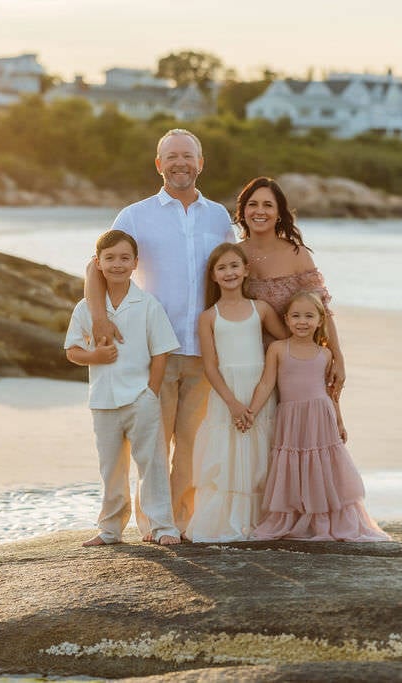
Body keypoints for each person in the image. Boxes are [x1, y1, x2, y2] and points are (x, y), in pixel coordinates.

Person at [85, 129, 234, 533]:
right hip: (153, 351)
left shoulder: (219, 216)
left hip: (205, 350)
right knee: (152, 442)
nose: (179, 163)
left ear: (200, 163)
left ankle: (180, 521)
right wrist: (99, 317)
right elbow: (95, 266)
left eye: (187, 155)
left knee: (191, 445)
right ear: (158, 164)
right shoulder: (134, 215)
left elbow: (233, 273)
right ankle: (153, 522)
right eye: (171, 156)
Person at [66, 230, 182, 547]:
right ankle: (110, 529)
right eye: (110, 258)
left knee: (152, 464)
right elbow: (72, 350)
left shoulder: (147, 304)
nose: (117, 264)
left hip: (140, 398)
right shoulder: (85, 309)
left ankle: (163, 526)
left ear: (135, 263)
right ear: (98, 263)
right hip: (103, 400)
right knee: (111, 468)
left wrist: (151, 392)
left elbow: (161, 352)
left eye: (124, 258)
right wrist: (94, 356)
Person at [248, 291, 392, 542]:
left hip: (321, 417)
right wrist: (250, 412)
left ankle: (323, 520)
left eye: (309, 316)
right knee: (295, 466)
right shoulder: (278, 349)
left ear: (320, 320)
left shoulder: (325, 354)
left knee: (323, 467)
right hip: (292, 418)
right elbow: (266, 384)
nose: (302, 321)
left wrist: (340, 421)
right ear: (286, 319)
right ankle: (296, 518)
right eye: (296, 316)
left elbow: (331, 393)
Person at [185, 243, 288, 543]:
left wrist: (254, 405)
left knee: (259, 453)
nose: (229, 272)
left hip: (259, 388)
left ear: (245, 271)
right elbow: (210, 366)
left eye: (234, 266)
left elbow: (285, 342)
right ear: (213, 276)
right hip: (226, 393)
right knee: (226, 454)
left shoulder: (261, 309)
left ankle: (260, 521)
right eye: (222, 268)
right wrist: (232, 404)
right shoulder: (209, 316)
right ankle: (226, 523)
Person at [235, 176, 345, 397]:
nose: (260, 211)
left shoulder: (296, 254)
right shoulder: (234, 255)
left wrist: (338, 358)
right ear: (243, 211)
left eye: (268, 205)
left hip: (295, 364)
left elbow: (322, 310)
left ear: (278, 214)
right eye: (253, 204)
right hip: (247, 364)